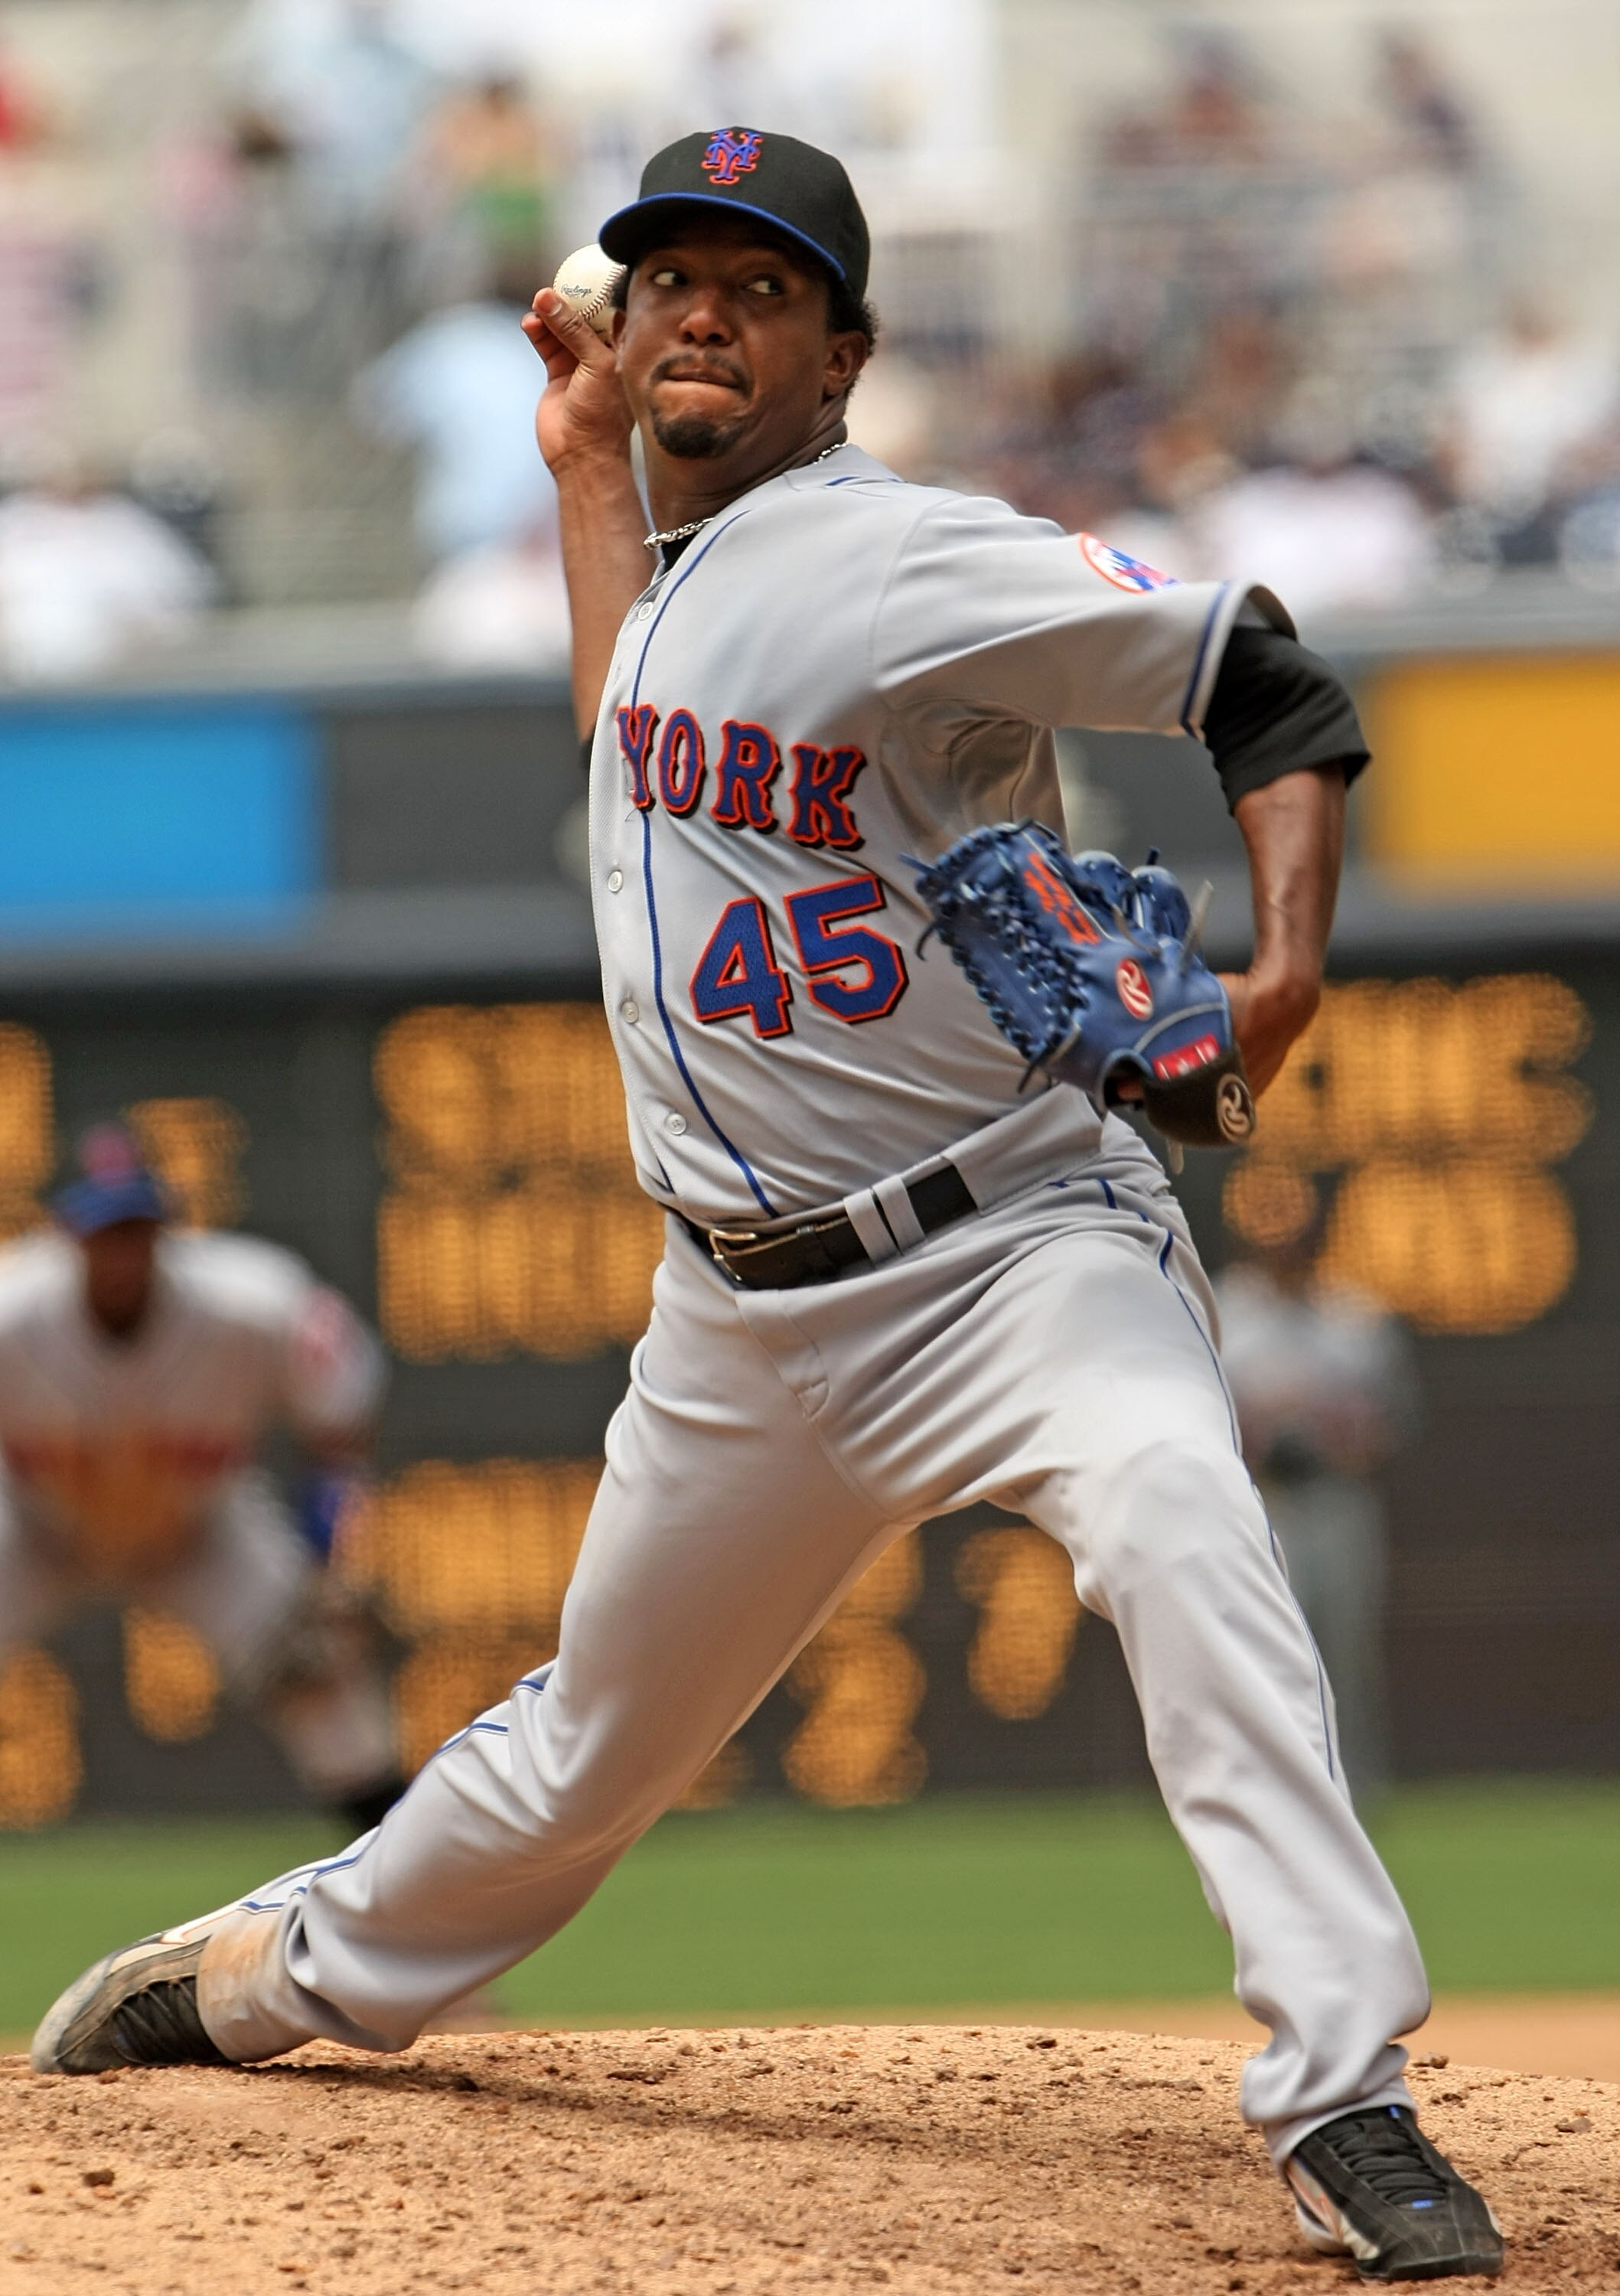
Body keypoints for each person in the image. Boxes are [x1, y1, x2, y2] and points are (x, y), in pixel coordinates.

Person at [34, 130, 1501, 2282]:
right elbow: (634, 744)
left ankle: (1340, 2093)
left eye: (758, 283)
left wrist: (1276, 971)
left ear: (842, 352)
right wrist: (573, 465)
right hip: (740, 1317)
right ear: (621, 333)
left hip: (1011, 1247)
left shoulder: (905, 558)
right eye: (667, 280)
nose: (702, 309)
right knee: (580, 1763)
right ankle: (283, 1975)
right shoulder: (673, 577)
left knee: (1186, 1528)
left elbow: (1264, 679)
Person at [1, 1123, 402, 1832]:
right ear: (69, 1234)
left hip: (201, 1531)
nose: (122, 1250)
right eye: (105, 1230)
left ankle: (408, 1891)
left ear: (165, 1228)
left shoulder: (255, 1304)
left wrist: (326, 1558)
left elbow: (340, 1429)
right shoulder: (13, 1313)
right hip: (35, 1530)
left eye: (137, 1228)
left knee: (319, 1681)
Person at [1214, 1235, 1416, 1795]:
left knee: (1346, 1653)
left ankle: (1354, 1790)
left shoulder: (1350, 1317)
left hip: (1335, 1498)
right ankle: (1269, 1788)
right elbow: (1203, 1411)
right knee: (1267, 1653)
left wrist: (1336, 1424)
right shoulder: (1224, 1309)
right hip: (1261, 1502)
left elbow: (1387, 1422)